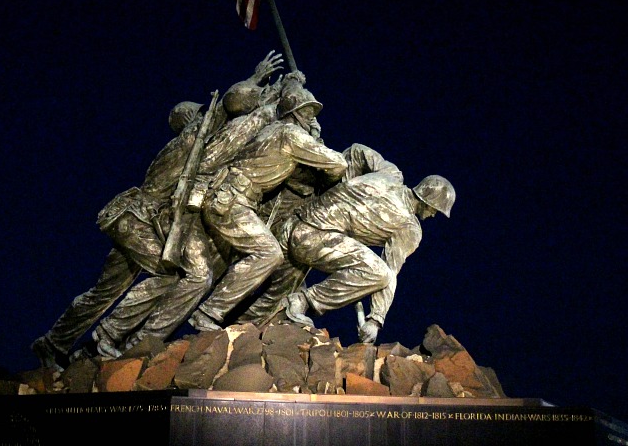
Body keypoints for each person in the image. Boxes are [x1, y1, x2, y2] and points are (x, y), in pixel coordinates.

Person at [30, 52, 284, 370]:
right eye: (201, 114)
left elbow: (224, 122)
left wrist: (257, 83)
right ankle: (115, 339)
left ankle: (53, 342)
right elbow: (227, 122)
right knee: (184, 274)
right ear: (190, 120)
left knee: (103, 292)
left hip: (133, 222)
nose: (208, 117)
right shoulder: (188, 141)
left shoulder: (190, 142)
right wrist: (262, 96)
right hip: (135, 222)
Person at [187, 81, 349, 332]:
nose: (312, 119)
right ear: (294, 113)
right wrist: (326, 177)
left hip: (234, 198)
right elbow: (338, 163)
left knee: (251, 260)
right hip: (232, 200)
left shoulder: (273, 131)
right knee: (268, 253)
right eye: (308, 113)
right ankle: (208, 313)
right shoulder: (290, 135)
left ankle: (230, 317)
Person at [263, 143, 454, 344]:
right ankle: (304, 300)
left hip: (294, 222)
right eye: (435, 210)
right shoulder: (409, 228)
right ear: (428, 202)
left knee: (263, 306)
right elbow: (390, 272)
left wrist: (338, 189)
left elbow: (356, 151)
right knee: (379, 273)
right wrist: (376, 319)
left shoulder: (390, 174)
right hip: (311, 241)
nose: (432, 215)